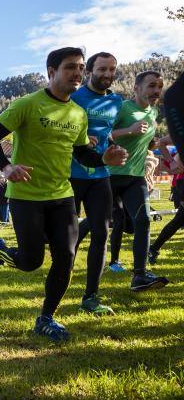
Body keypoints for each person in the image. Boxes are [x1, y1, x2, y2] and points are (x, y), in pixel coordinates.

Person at [0, 47, 127, 342]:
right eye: (70, 67)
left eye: (81, 67)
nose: (77, 73)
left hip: (61, 195)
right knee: (31, 261)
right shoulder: (28, 104)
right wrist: (6, 168)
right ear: (51, 72)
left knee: (66, 256)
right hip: (26, 195)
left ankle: (46, 318)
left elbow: (82, 152)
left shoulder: (77, 113)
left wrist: (104, 160)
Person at [68, 52, 122, 315]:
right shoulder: (74, 97)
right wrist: (78, 139)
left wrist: (113, 146)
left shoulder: (116, 101)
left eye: (112, 70)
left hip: (100, 176)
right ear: (89, 71)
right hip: (71, 175)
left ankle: (91, 297)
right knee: (61, 237)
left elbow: (108, 132)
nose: (107, 74)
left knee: (102, 234)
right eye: (102, 69)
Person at [109, 71, 169, 291]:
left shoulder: (153, 112)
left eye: (159, 86)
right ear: (136, 88)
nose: (156, 91)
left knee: (143, 220)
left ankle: (140, 275)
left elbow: (145, 141)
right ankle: (72, 246)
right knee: (101, 222)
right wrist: (129, 130)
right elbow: (104, 133)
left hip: (135, 177)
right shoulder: (123, 108)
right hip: (110, 174)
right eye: (151, 86)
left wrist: (152, 145)